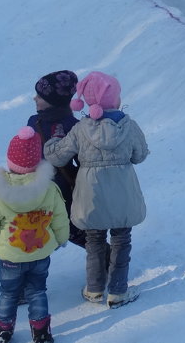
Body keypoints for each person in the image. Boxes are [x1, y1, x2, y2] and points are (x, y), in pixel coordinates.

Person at [44, 71, 148, 309]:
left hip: (91, 195)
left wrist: (53, 140)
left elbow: (58, 157)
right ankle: (118, 291)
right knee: (122, 238)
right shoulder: (129, 126)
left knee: (94, 239)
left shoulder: (81, 129)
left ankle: (94, 289)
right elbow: (139, 155)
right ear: (116, 99)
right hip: (123, 192)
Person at [0, 126, 69, 343]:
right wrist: (61, 238)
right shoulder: (49, 190)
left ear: (10, 162)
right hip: (40, 255)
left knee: (8, 294)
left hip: (10, 260)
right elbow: (60, 217)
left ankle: (4, 330)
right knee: (38, 292)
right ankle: (41, 332)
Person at [26, 70, 86, 248]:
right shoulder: (33, 122)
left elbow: (82, 160)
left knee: (70, 229)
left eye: (40, 96)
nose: (34, 98)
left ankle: (103, 256)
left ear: (54, 102)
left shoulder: (73, 127)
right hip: (35, 188)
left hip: (62, 190)